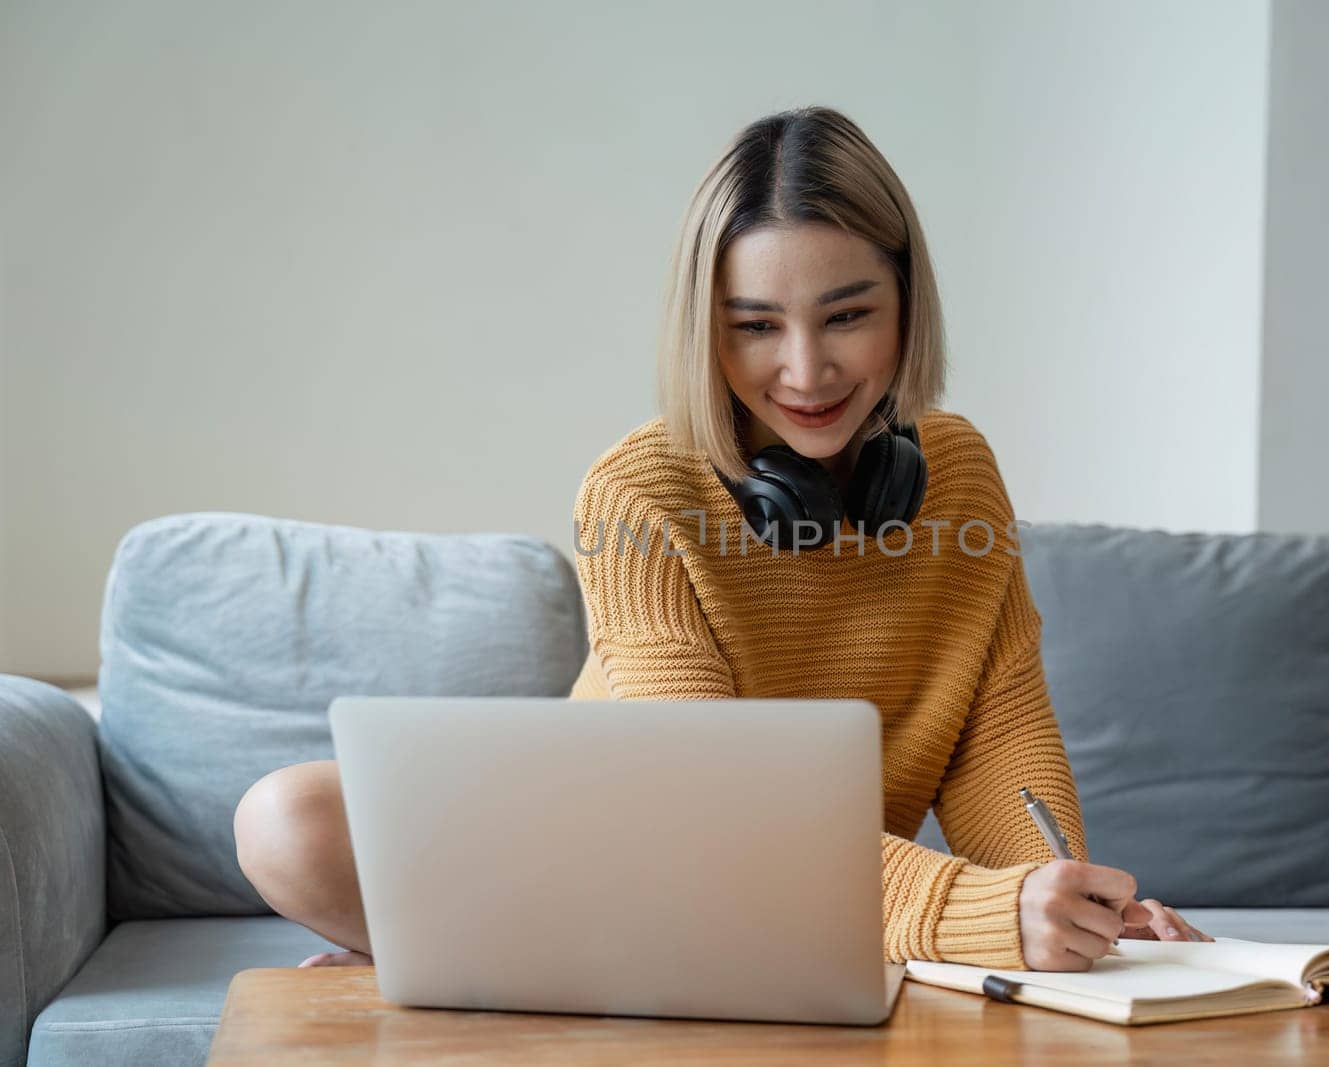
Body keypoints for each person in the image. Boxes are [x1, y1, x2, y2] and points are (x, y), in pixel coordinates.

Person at [233, 105, 1208, 971]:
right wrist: (975, 908)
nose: (804, 369)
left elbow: (1000, 732)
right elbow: (706, 807)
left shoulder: (958, 471)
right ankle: (537, 960)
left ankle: (514, 972)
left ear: (907, 305)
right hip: (625, 860)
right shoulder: (637, 491)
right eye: (753, 325)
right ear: (703, 327)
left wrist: (1061, 899)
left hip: (802, 893)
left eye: (848, 315)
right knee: (287, 818)